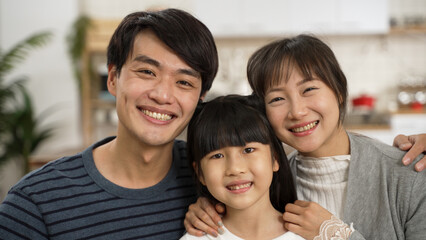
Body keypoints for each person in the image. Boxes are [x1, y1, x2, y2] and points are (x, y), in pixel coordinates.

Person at [0, 8, 218, 239]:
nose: (163, 96)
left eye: (184, 82)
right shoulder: (34, 203)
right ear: (113, 79)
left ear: (200, 97)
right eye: (147, 71)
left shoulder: (219, 178)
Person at [184, 35, 426, 239]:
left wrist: (334, 234)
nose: (297, 111)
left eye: (309, 89)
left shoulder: (410, 174)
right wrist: (210, 209)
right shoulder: (267, 181)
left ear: (339, 92)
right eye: (277, 98)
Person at [181, 94, 303, 240]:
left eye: (248, 150)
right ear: (199, 173)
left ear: (275, 159)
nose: (234, 169)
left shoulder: (311, 234)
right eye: (217, 156)